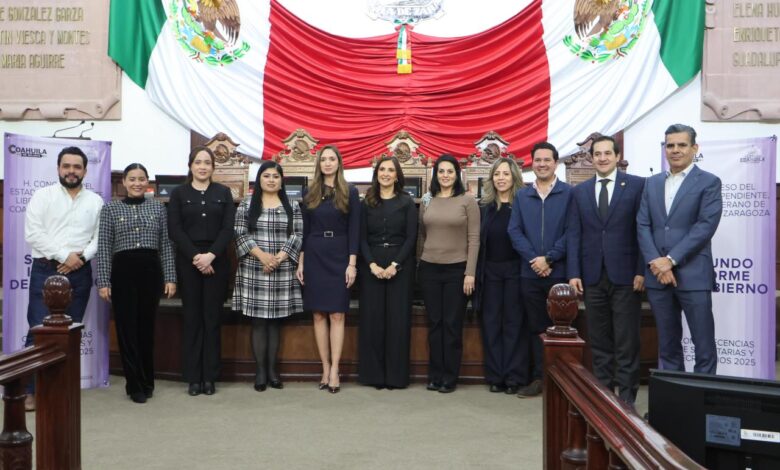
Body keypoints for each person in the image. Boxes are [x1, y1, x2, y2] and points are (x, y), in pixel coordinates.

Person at [23, 145, 104, 411]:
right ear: (58, 168)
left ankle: (60, 390)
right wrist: (63, 256)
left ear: (85, 171)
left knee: (70, 333)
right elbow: (33, 233)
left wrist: (80, 258)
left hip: (80, 272)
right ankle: (29, 391)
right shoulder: (42, 196)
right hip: (46, 269)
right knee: (38, 330)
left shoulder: (95, 201)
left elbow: (99, 237)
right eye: (66, 166)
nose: (71, 171)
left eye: (77, 167)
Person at [637, 124, 722, 374]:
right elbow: (642, 224)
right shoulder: (652, 183)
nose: (675, 150)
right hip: (657, 277)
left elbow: (705, 226)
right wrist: (657, 262)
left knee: (703, 346)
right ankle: (674, 398)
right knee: (668, 345)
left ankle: (703, 398)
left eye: (682, 145)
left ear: (694, 148)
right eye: (670, 145)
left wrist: (670, 260)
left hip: (693, 275)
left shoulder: (709, 182)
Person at [567, 136, 645, 405]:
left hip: (627, 277)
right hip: (592, 277)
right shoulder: (579, 191)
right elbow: (574, 234)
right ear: (591, 158)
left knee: (626, 342)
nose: (602, 158)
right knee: (599, 342)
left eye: (607, 153)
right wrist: (574, 272)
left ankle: (627, 402)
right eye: (597, 154)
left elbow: (643, 231)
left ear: (617, 156)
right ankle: (604, 401)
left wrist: (641, 270)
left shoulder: (637, 186)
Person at [97, 163, 177, 404]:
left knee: (146, 328)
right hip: (123, 272)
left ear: (147, 182)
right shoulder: (110, 208)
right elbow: (104, 246)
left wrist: (170, 277)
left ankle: (147, 380)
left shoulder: (158, 207)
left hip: (150, 272)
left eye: (141, 179)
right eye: (132, 179)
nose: (137, 183)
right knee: (127, 329)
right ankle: (134, 385)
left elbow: (166, 245)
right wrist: (103, 281)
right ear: (124, 182)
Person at [168, 146, 235, 396]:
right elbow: (175, 230)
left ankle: (210, 377)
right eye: (198, 162)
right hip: (189, 261)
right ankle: (193, 377)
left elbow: (227, 229)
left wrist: (210, 256)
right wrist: (197, 257)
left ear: (213, 167)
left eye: (207, 162)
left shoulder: (223, 193)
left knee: (212, 319)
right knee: (192, 319)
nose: (203, 167)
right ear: (190, 166)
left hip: (216, 261)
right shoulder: (179, 193)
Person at [508, 142, 572, 398]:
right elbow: (514, 231)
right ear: (532, 163)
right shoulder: (522, 195)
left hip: (559, 273)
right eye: (538, 160)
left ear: (555, 163)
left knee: (561, 329)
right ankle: (539, 378)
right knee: (535, 327)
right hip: (530, 273)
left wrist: (550, 259)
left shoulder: (569, 193)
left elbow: (572, 231)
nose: (542, 164)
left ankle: (562, 381)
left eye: (547, 160)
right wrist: (535, 259)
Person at [233, 161, 303, 392]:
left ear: (282, 181)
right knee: (259, 322)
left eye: (275, 176)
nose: (271, 180)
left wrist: (278, 258)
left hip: (281, 269)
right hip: (255, 269)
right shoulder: (246, 204)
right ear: (259, 180)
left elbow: (298, 235)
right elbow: (240, 233)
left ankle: (273, 371)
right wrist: (263, 256)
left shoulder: (292, 204)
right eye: (266, 176)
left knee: (275, 323)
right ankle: (260, 372)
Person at [297, 145, 360, 394]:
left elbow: (355, 229)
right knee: (318, 314)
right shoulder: (309, 191)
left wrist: (352, 264)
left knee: (337, 314)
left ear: (339, 163)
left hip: (340, 254)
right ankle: (324, 368)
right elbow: (305, 230)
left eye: (332, 159)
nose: (327, 163)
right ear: (319, 164)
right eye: (323, 159)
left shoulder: (350, 191)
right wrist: (301, 262)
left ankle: (335, 369)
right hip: (314, 253)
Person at [418, 154, 480, 393]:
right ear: (436, 174)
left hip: (458, 270)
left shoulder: (467, 200)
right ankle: (435, 375)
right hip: (429, 268)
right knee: (434, 324)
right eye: (441, 171)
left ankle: (449, 377)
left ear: (457, 175)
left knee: (452, 325)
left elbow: (474, 239)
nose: (445, 175)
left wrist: (470, 273)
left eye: (449, 171)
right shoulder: (427, 200)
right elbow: (423, 234)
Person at [358, 156, 417, 390]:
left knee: (397, 322)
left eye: (390, 170)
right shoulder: (367, 202)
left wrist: (395, 265)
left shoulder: (406, 202)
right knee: (373, 321)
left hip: (399, 266)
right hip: (371, 265)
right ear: (376, 174)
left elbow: (411, 237)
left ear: (397, 175)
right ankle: (373, 376)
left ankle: (395, 377)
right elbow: (361, 237)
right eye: (382, 169)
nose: (385, 174)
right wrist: (371, 264)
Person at [474, 157, 526, 395]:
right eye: (497, 174)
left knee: (514, 324)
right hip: (490, 271)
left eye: (505, 174)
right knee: (491, 324)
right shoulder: (484, 207)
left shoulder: (523, 204)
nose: (501, 178)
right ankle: (496, 376)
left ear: (514, 176)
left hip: (515, 270)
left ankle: (514, 376)